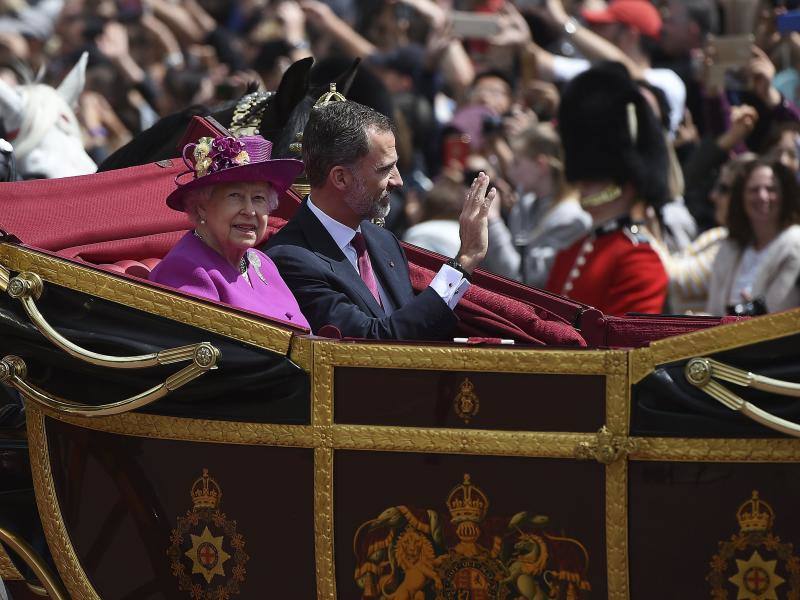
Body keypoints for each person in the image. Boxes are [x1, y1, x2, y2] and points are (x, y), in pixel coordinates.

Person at [264, 100, 495, 340]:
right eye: (385, 169)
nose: (398, 181)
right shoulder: (291, 260)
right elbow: (372, 340)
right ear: (341, 178)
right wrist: (463, 262)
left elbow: (418, 332)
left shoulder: (383, 241)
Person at [545, 62, 670, 316]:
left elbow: (622, 344)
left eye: (595, 179)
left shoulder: (639, 260)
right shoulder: (572, 250)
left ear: (624, 185)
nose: (582, 185)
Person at [149, 134, 309, 327]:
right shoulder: (186, 270)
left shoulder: (263, 262)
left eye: (258, 198)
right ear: (201, 207)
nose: (249, 211)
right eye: (235, 196)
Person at [484, 123, 591, 288]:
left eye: (517, 163)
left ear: (541, 165)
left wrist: (493, 221)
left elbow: (522, 280)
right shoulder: (526, 204)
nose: (511, 171)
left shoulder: (571, 219)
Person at [706, 159, 800, 315]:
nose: (763, 196)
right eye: (754, 190)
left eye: (771, 189)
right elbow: (714, 312)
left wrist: (750, 314)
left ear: (784, 194)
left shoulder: (794, 243)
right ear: (740, 197)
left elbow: (776, 315)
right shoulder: (729, 248)